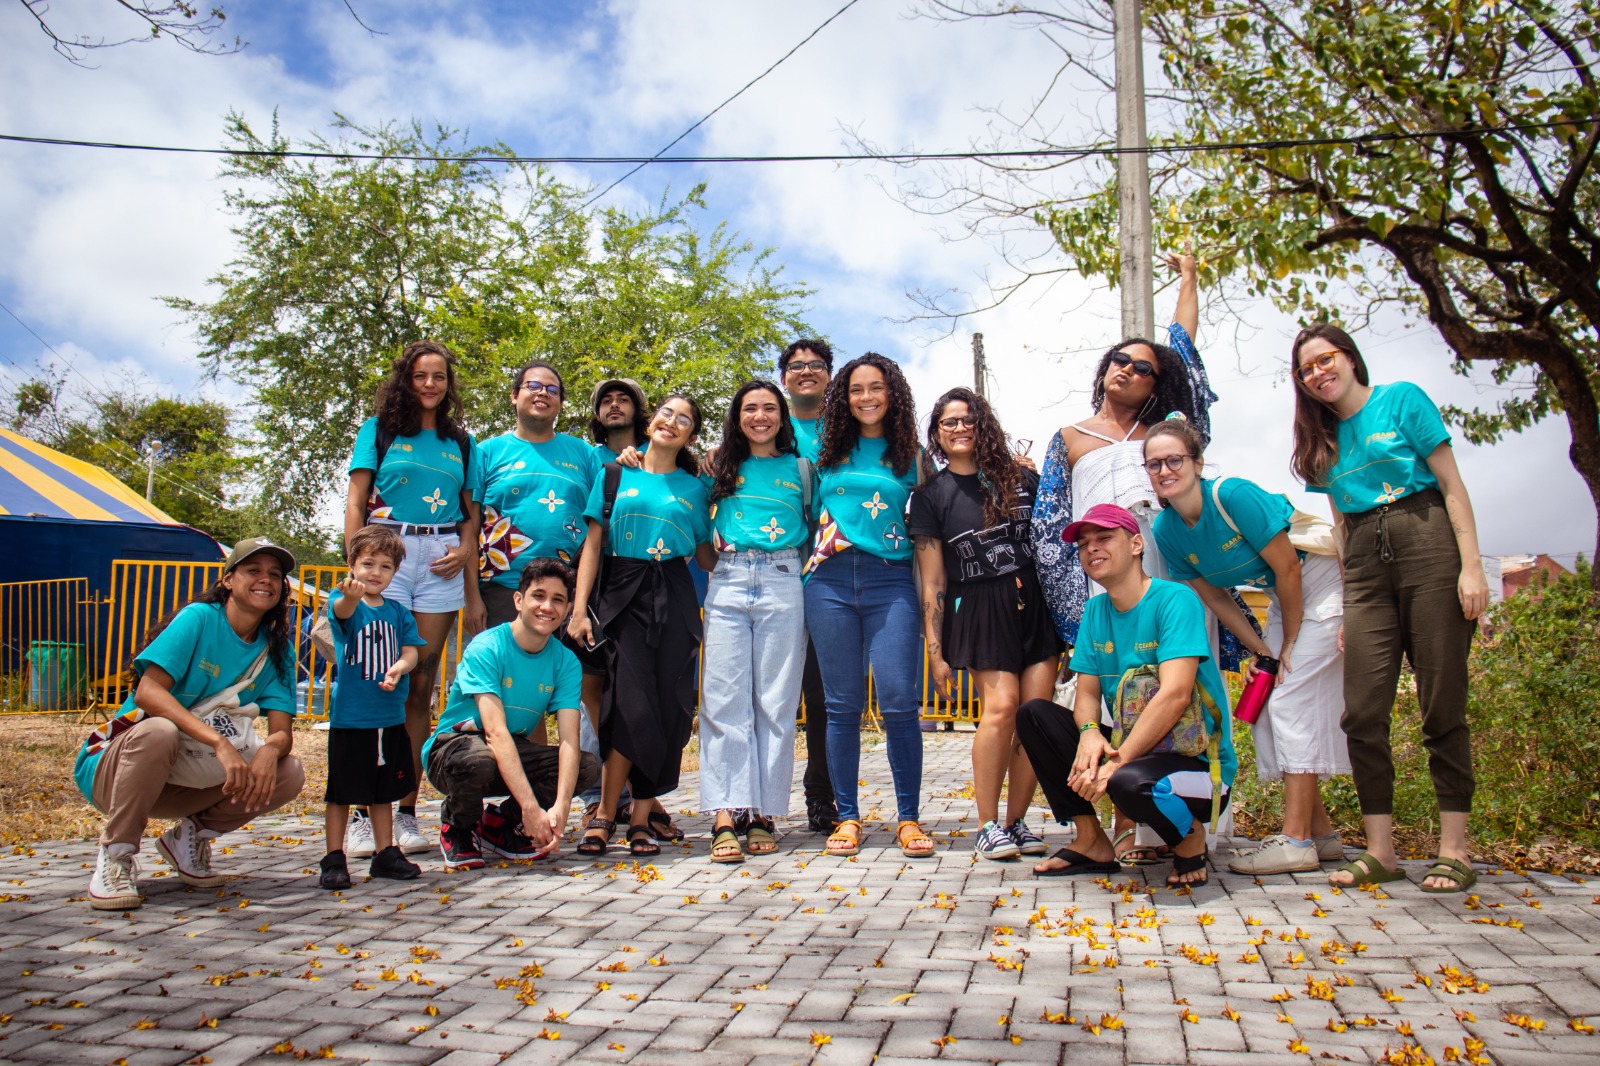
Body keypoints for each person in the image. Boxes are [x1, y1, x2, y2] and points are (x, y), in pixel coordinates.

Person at [1291, 325, 1487, 893]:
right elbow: (1341, 525)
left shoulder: (1400, 400)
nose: (1317, 373)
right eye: (1305, 369)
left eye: (1324, 360)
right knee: (1362, 712)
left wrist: (1471, 567)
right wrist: (1352, 602)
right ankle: (1382, 851)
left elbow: (1451, 484)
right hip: (1368, 572)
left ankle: (1455, 850)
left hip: (1428, 546)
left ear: (1349, 358)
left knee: (1441, 706)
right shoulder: (1321, 443)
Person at [1145, 418, 1350, 875]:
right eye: (1154, 464)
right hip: (1283, 601)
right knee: (1265, 705)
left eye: (1174, 459)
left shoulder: (1232, 495)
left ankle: (1295, 840)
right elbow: (1215, 598)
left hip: (1322, 584)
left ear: (1197, 463)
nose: (1164, 470)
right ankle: (1322, 834)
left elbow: (1289, 569)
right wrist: (1263, 651)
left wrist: (1290, 643)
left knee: (1290, 702)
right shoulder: (1167, 529)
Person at [74, 538, 307, 910]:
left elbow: (281, 730)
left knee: (288, 771)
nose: (266, 580)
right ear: (228, 579)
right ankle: (116, 856)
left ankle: (188, 839)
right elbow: (149, 693)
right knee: (159, 730)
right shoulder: (199, 618)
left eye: (275, 575)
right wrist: (220, 743)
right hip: (119, 769)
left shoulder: (277, 649)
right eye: (254, 570)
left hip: (186, 775)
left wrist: (270, 749)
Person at [1015, 505, 1236, 886]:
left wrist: (1117, 761)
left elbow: (1176, 694)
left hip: (1195, 766)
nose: (1091, 549)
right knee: (1035, 714)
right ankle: (1091, 842)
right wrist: (1088, 731)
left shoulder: (1174, 600)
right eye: (1084, 544)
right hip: (1134, 754)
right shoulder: (1095, 610)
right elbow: (1086, 693)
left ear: (1136, 544)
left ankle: (1189, 840)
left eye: (1104, 538)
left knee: (1128, 781)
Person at [343, 339, 483, 858]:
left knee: (420, 681)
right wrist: (357, 566)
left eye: (440, 377)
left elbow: (471, 518)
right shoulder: (377, 431)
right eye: (421, 375)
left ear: (449, 385)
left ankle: (405, 811)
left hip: (441, 555)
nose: (430, 384)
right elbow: (356, 501)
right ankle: (362, 811)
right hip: (387, 549)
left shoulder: (460, 442)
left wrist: (466, 552)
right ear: (406, 378)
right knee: (378, 677)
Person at [910, 387, 1060, 861]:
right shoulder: (930, 496)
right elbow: (932, 580)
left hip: (1034, 601)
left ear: (984, 425)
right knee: (1001, 709)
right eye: (949, 422)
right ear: (936, 433)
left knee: (1036, 715)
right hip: (977, 605)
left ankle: (1018, 824)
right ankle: (987, 824)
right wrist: (936, 650)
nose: (959, 428)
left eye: (968, 419)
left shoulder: (1021, 480)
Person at [569, 395, 713, 858]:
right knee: (627, 703)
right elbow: (593, 546)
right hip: (621, 594)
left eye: (684, 420)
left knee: (667, 704)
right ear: (651, 422)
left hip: (672, 593)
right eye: (667, 413)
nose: (673, 422)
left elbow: (706, 554)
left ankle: (639, 819)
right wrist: (577, 611)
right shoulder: (614, 473)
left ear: (691, 436)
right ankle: (606, 814)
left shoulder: (694, 489)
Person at [804, 352, 933, 859]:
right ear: (844, 397)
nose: (866, 398)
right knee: (841, 707)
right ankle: (848, 816)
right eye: (856, 389)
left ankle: (908, 818)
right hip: (829, 582)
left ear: (892, 393)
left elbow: (931, 527)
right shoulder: (825, 451)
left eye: (875, 388)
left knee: (901, 702)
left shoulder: (913, 457)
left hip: (891, 582)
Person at [424, 558, 599, 870]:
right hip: (455, 748)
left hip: (508, 750)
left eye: (558, 600)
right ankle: (458, 826)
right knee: (479, 759)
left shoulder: (566, 662)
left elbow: (570, 741)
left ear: (568, 608)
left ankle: (498, 824)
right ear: (519, 600)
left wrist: (560, 806)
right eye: (538, 596)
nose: (548, 607)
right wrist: (531, 806)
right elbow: (494, 732)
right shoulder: (487, 647)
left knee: (586, 766)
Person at [699, 380, 811, 863]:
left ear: (782, 417)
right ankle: (726, 813)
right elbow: (682, 500)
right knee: (723, 700)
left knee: (775, 702)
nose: (760, 416)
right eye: (750, 408)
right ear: (737, 416)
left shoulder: (803, 469)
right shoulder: (716, 466)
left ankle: (763, 813)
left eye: (770, 408)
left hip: (784, 578)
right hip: (727, 580)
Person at [475, 360, 601, 743]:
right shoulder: (486, 453)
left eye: (552, 389)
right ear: (515, 396)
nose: (542, 393)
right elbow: (467, 525)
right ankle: (519, 798)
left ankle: (598, 793)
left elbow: (601, 523)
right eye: (532, 385)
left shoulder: (583, 454)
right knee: (514, 697)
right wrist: (470, 597)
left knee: (580, 694)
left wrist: (579, 604)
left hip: (571, 593)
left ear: (561, 403)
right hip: (502, 588)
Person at [319, 527, 427, 888]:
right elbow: (342, 611)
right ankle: (335, 857)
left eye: (384, 566)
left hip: (390, 716)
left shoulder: (398, 612)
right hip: (352, 718)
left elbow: (411, 650)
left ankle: (385, 853)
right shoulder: (345, 601)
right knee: (341, 792)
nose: (374, 572)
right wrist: (350, 594)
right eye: (366, 563)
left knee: (383, 792)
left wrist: (400, 667)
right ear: (351, 565)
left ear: (395, 572)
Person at [779, 338, 837, 831]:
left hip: (833, 573)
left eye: (816, 365)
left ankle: (822, 794)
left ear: (828, 376)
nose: (806, 372)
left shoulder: (847, 430)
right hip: (776, 570)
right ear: (784, 378)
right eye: (796, 366)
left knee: (823, 696)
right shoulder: (769, 426)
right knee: (771, 693)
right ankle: (757, 800)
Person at [590, 378, 650, 463]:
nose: (614, 404)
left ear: (637, 411)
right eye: (607, 401)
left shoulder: (655, 452)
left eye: (623, 400)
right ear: (598, 415)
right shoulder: (590, 460)